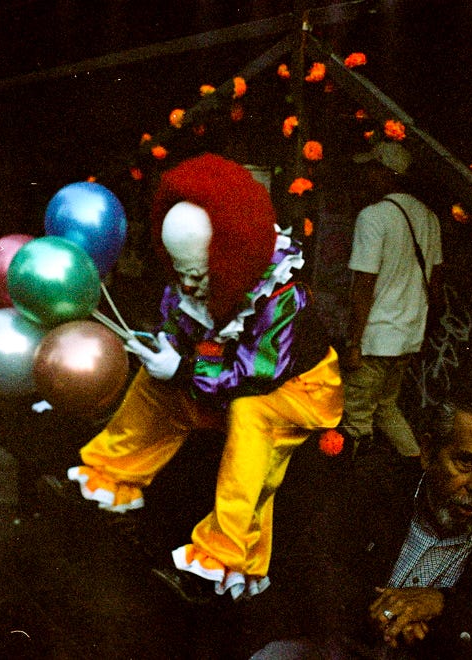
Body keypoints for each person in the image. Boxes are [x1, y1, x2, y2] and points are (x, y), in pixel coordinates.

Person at [67, 153, 343, 603]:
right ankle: (111, 474)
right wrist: (164, 351)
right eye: (182, 274)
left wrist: (182, 368)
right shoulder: (186, 280)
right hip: (221, 375)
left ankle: (229, 554)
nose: (189, 287)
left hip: (293, 391)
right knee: (153, 385)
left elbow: (256, 375)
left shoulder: (281, 295)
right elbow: (179, 328)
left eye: (198, 274)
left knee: (251, 417)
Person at [252, 386, 472, 659]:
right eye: (465, 462)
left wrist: (442, 605)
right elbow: (305, 564)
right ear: (428, 452)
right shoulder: (375, 483)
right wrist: (381, 610)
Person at [341, 141, 442, 457]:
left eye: (372, 168)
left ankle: (351, 481)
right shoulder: (430, 218)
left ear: (387, 174)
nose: (367, 175)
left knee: (355, 419)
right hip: (406, 337)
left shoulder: (373, 217)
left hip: (375, 339)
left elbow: (363, 285)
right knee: (386, 407)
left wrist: (353, 342)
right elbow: (435, 284)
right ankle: (416, 464)